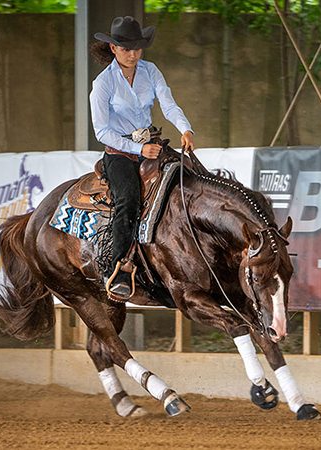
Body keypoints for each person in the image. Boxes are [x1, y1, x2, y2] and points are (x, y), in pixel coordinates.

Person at [90, 16, 195, 298]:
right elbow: (101, 132)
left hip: (152, 143)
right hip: (119, 153)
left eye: (137, 48)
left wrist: (185, 129)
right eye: (127, 49)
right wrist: (138, 150)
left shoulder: (151, 71)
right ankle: (120, 268)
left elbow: (168, 104)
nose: (133, 54)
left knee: (186, 178)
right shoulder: (103, 84)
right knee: (129, 199)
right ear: (114, 49)